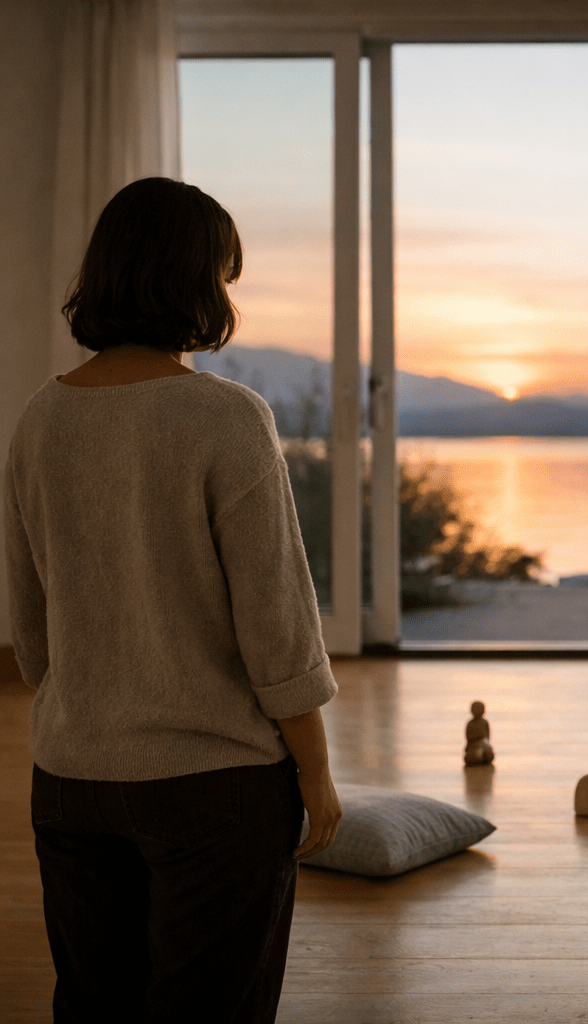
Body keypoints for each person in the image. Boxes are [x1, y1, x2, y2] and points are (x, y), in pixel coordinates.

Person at [2, 177, 343, 1023]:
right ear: (194, 281)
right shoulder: (225, 418)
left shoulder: (40, 418)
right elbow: (278, 628)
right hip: (215, 791)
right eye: (223, 276)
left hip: (69, 779)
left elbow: (32, 634)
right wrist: (316, 771)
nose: (226, 296)